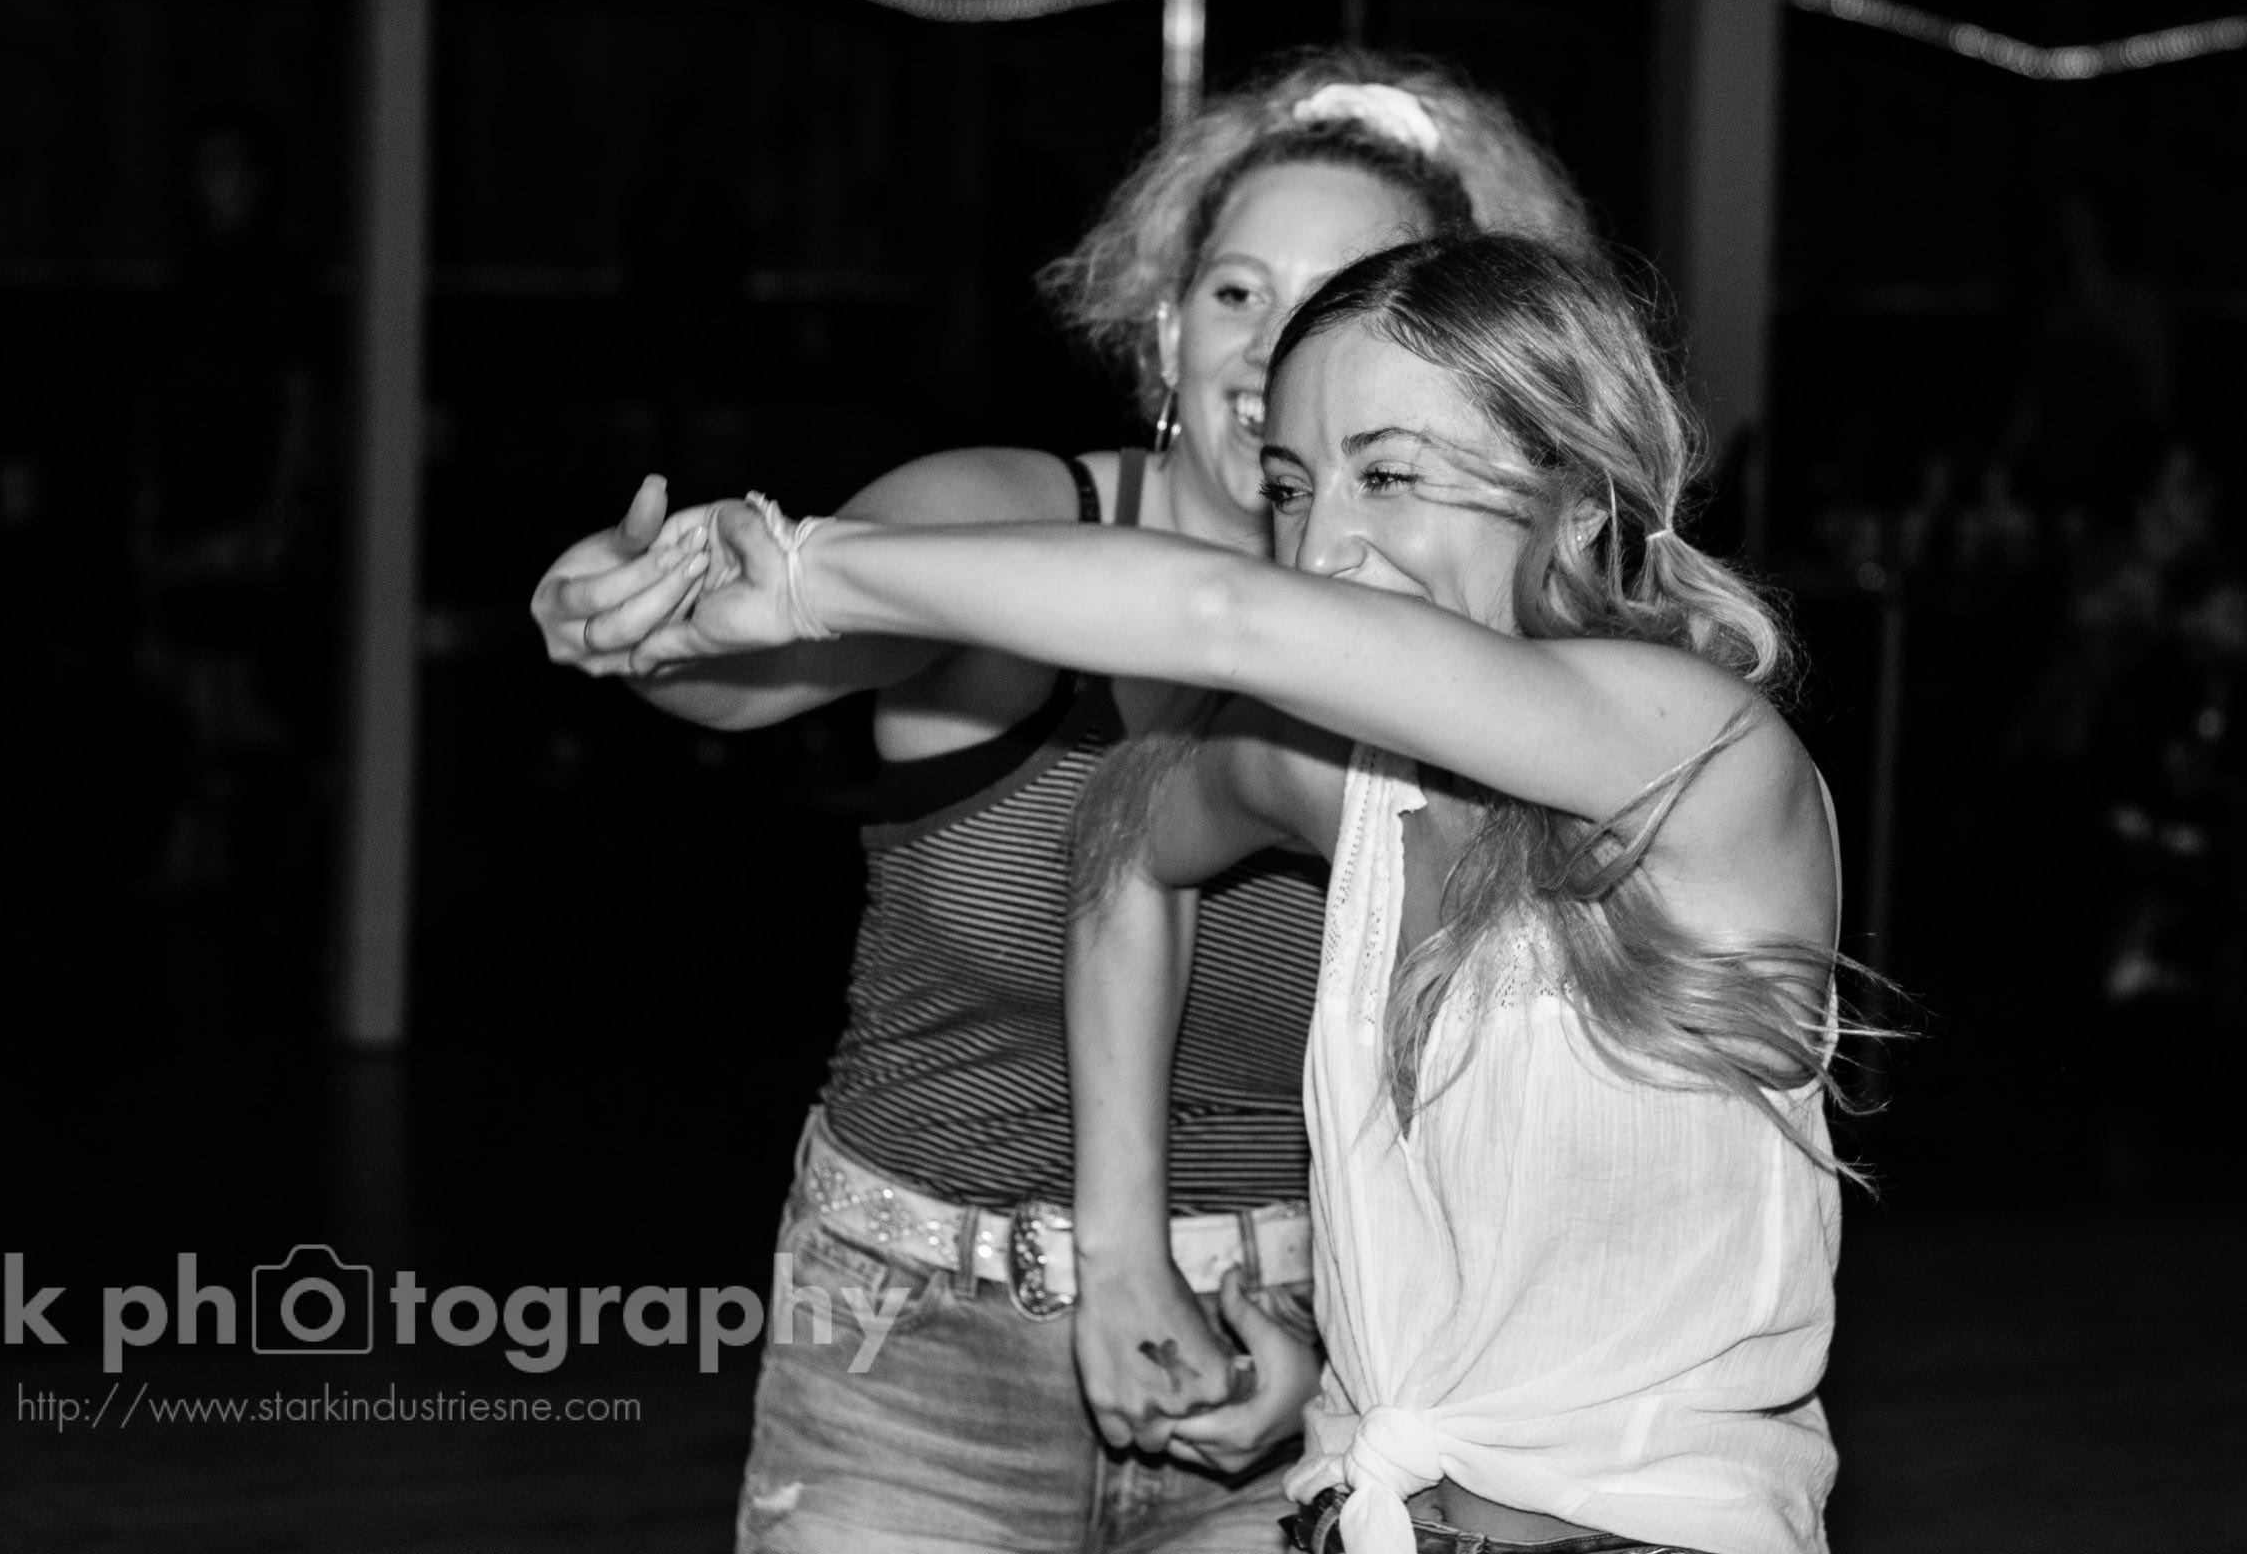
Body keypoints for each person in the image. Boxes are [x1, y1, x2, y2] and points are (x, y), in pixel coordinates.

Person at [573, 234, 1854, 1554]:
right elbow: (1122, 830)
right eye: (1291, 488)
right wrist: (1154, 1260)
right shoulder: (1343, 780)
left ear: (1577, 499)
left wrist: (805, 572)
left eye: (1388, 474)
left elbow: (1224, 617)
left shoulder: (1691, 757)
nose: (1325, 541)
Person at [533, 54, 1593, 1554]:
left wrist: (1344, 1362)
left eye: (1342, 295)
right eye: (1235, 291)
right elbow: (755, 653)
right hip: (914, 1352)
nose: (1272, 342)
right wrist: (634, 602)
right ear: (1166, 326)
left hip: (1299, 1355)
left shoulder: (1478, 664)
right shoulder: (1014, 521)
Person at [136, 120, 318, 895]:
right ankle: (203, 836)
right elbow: (159, 396)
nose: (215, 181)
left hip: (245, 496)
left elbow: (299, 394)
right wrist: (148, 503)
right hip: (188, 494)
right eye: (204, 164)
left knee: (232, 681)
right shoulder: (187, 272)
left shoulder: (280, 273)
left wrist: (280, 504)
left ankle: (247, 841)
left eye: (229, 165)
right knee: (188, 673)